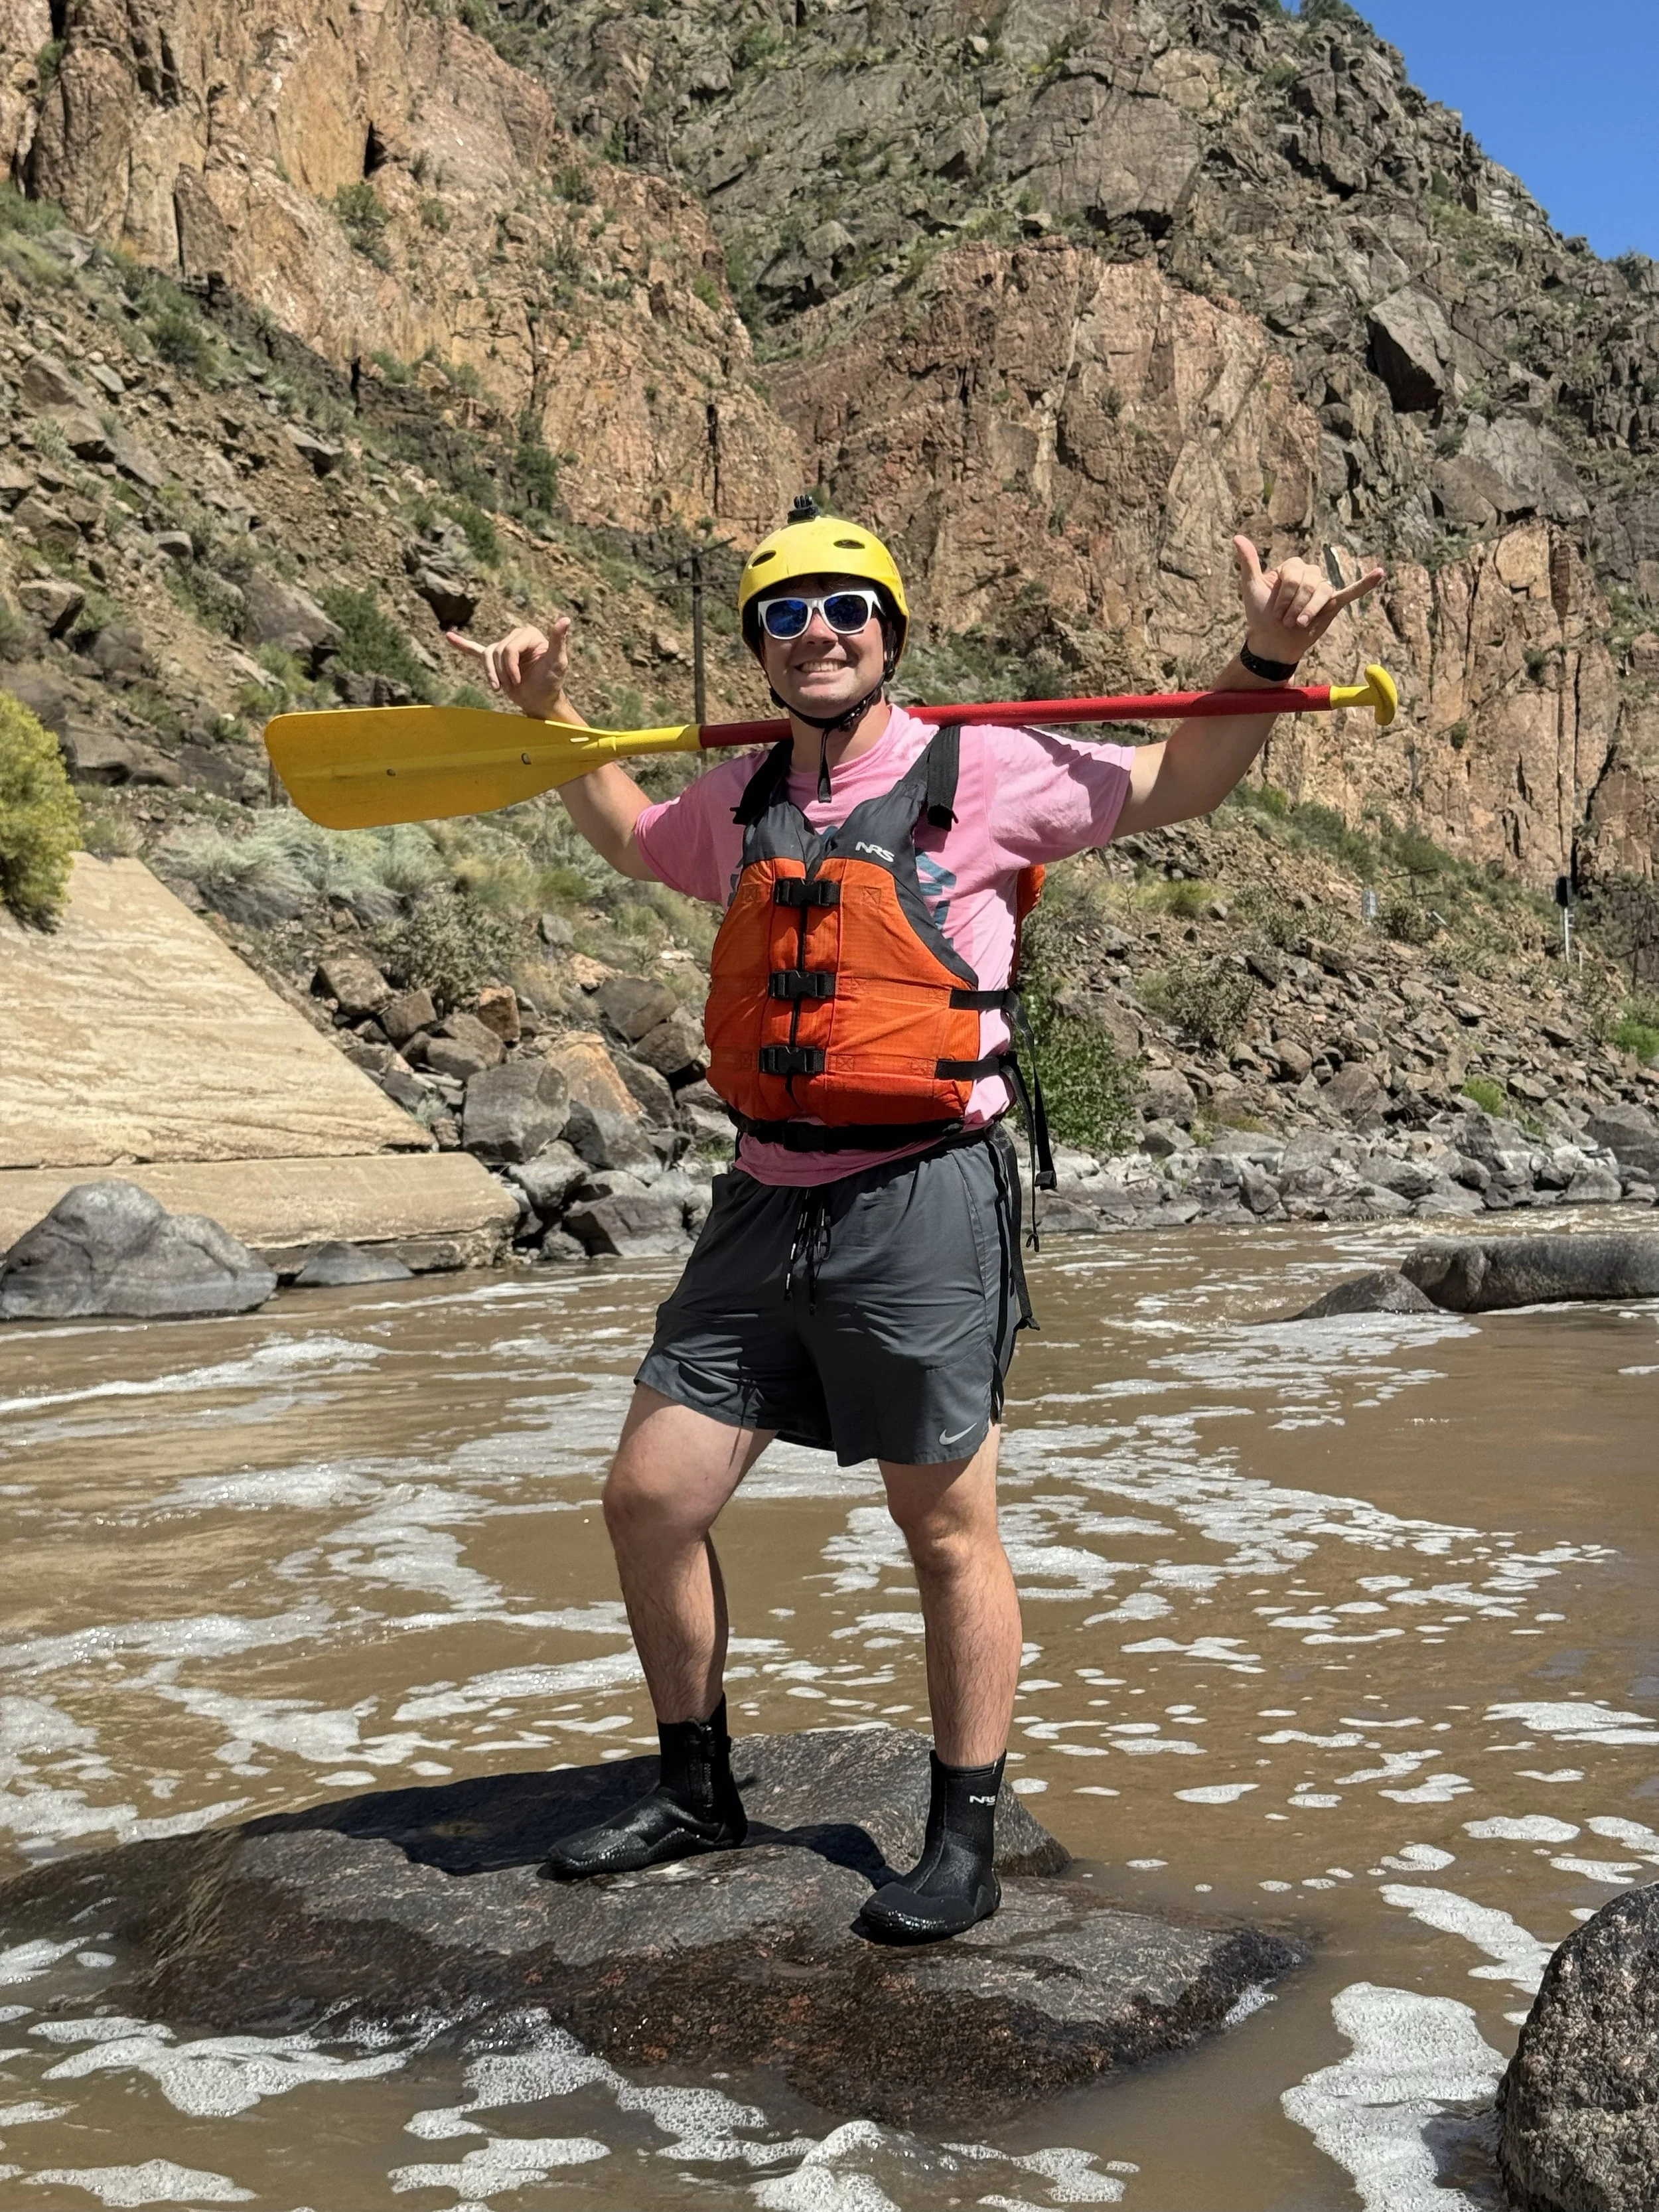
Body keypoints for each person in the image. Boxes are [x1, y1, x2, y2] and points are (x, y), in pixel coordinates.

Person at [449, 501, 1383, 1943]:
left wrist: (1255, 659)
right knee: (650, 1498)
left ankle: (962, 1834)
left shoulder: (988, 772)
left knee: (943, 1524)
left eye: (844, 608)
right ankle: (698, 1791)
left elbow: (1178, 780)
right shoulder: (745, 798)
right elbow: (636, 836)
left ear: (888, 631)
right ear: (758, 648)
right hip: (763, 1195)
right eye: (783, 613)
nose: (815, 630)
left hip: (924, 1196)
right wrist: (557, 717)